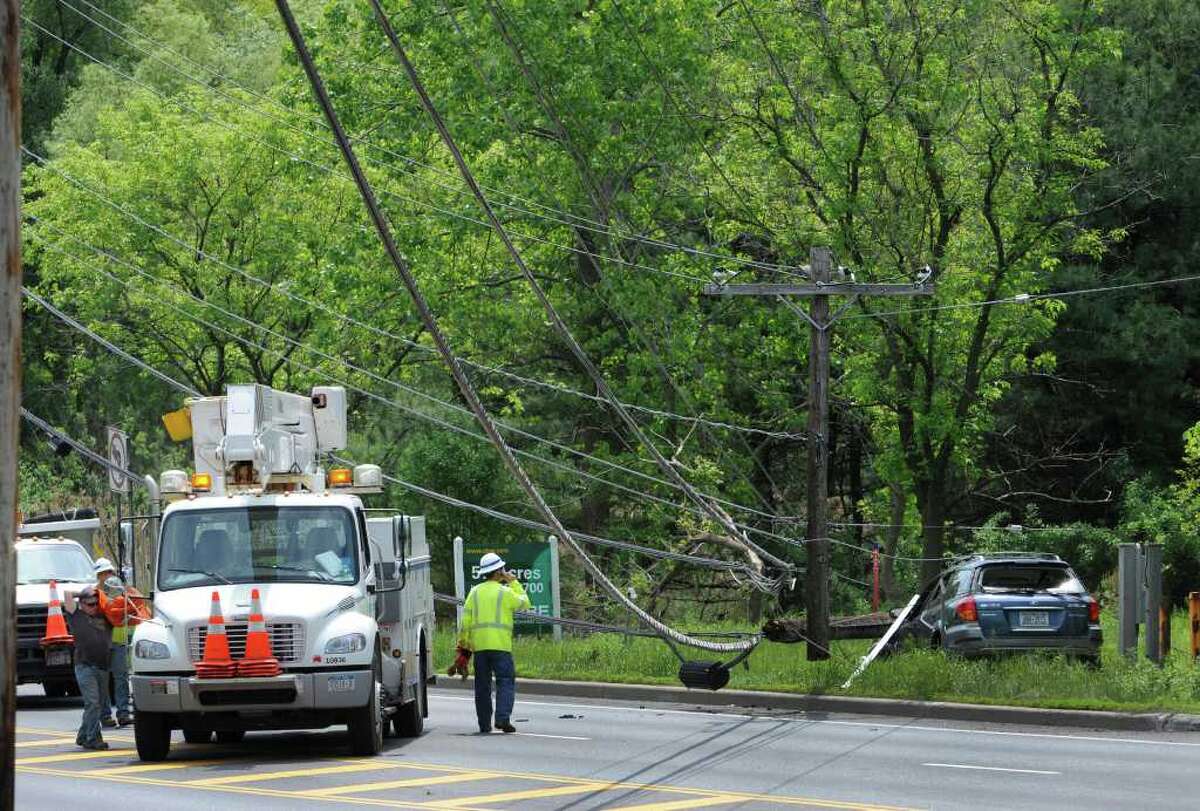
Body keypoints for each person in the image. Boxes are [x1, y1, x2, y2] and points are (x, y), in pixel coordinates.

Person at [458, 552, 530, 734]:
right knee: (505, 682)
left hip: (480, 648)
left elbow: (465, 622)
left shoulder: (474, 592)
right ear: (499, 572)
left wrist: (464, 648)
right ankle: (502, 718)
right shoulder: (505, 592)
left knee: (482, 687)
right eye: (502, 569)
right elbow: (525, 603)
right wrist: (513, 581)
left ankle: (484, 724)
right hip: (501, 647)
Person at [93, 558, 146, 727]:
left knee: (121, 677)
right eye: (104, 573)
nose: (107, 575)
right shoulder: (94, 595)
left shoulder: (122, 591)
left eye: (109, 572)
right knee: (102, 680)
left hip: (118, 641)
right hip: (101, 643)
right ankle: (105, 716)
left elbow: (137, 601)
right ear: (98, 575)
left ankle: (123, 713)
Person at [62, 585, 113, 750]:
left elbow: (117, 607)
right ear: (82, 604)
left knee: (96, 703)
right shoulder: (76, 615)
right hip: (84, 665)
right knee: (93, 703)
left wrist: (101, 596)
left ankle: (83, 735)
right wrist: (85, 593)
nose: (94, 607)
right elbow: (67, 594)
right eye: (90, 604)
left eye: (96, 603)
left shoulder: (105, 615)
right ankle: (93, 738)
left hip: (103, 666)